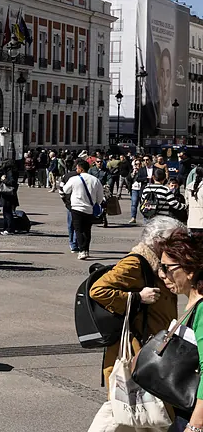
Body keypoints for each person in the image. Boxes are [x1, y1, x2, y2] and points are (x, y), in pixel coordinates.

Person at [88, 216, 183, 386]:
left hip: (157, 344)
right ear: (158, 241)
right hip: (138, 347)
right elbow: (98, 290)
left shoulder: (160, 263)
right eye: (174, 241)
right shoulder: (136, 263)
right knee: (132, 404)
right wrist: (138, 297)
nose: (179, 246)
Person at [152, 227, 203, 432]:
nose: (161, 274)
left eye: (166, 267)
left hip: (193, 417)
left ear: (189, 270)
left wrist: (196, 425)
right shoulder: (193, 301)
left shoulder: (202, 309)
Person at [62, 160, 105, 261]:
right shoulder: (95, 180)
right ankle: (86, 250)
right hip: (89, 208)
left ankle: (81, 251)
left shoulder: (74, 179)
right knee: (87, 230)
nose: (76, 170)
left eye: (77, 168)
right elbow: (100, 197)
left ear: (81, 168)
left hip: (76, 208)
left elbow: (65, 190)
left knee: (78, 230)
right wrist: (95, 203)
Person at [0, 160, 20, 235]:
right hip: (10, 194)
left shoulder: (10, 171)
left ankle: (9, 229)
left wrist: (4, 180)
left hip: (7, 194)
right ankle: (7, 228)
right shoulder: (13, 171)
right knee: (7, 211)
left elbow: (11, 182)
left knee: (7, 212)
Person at [132, 157, 157, 223]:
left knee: (153, 205)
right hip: (144, 189)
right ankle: (146, 219)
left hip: (154, 189)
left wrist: (154, 179)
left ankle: (152, 219)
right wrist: (146, 178)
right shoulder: (141, 170)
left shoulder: (156, 169)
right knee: (144, 205)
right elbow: (138, 179)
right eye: (144, 160)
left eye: (147, 160)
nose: (145, 161)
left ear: (151, 161)